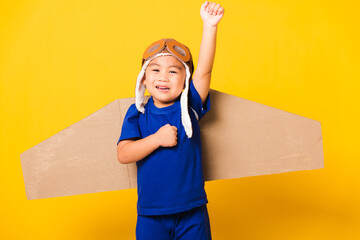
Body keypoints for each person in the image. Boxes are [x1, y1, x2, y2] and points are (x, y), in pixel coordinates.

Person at [117, 1, 224, 239]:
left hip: (192, 211)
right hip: (151, 214)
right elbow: (123, 154)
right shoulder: (138, 112)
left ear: (185, 80)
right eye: (155, 70)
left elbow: (204, 71)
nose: (163, 77)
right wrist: (156, 139)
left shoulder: (190, 105)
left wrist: (210, 26)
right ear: (143, 79)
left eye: (173, 71)